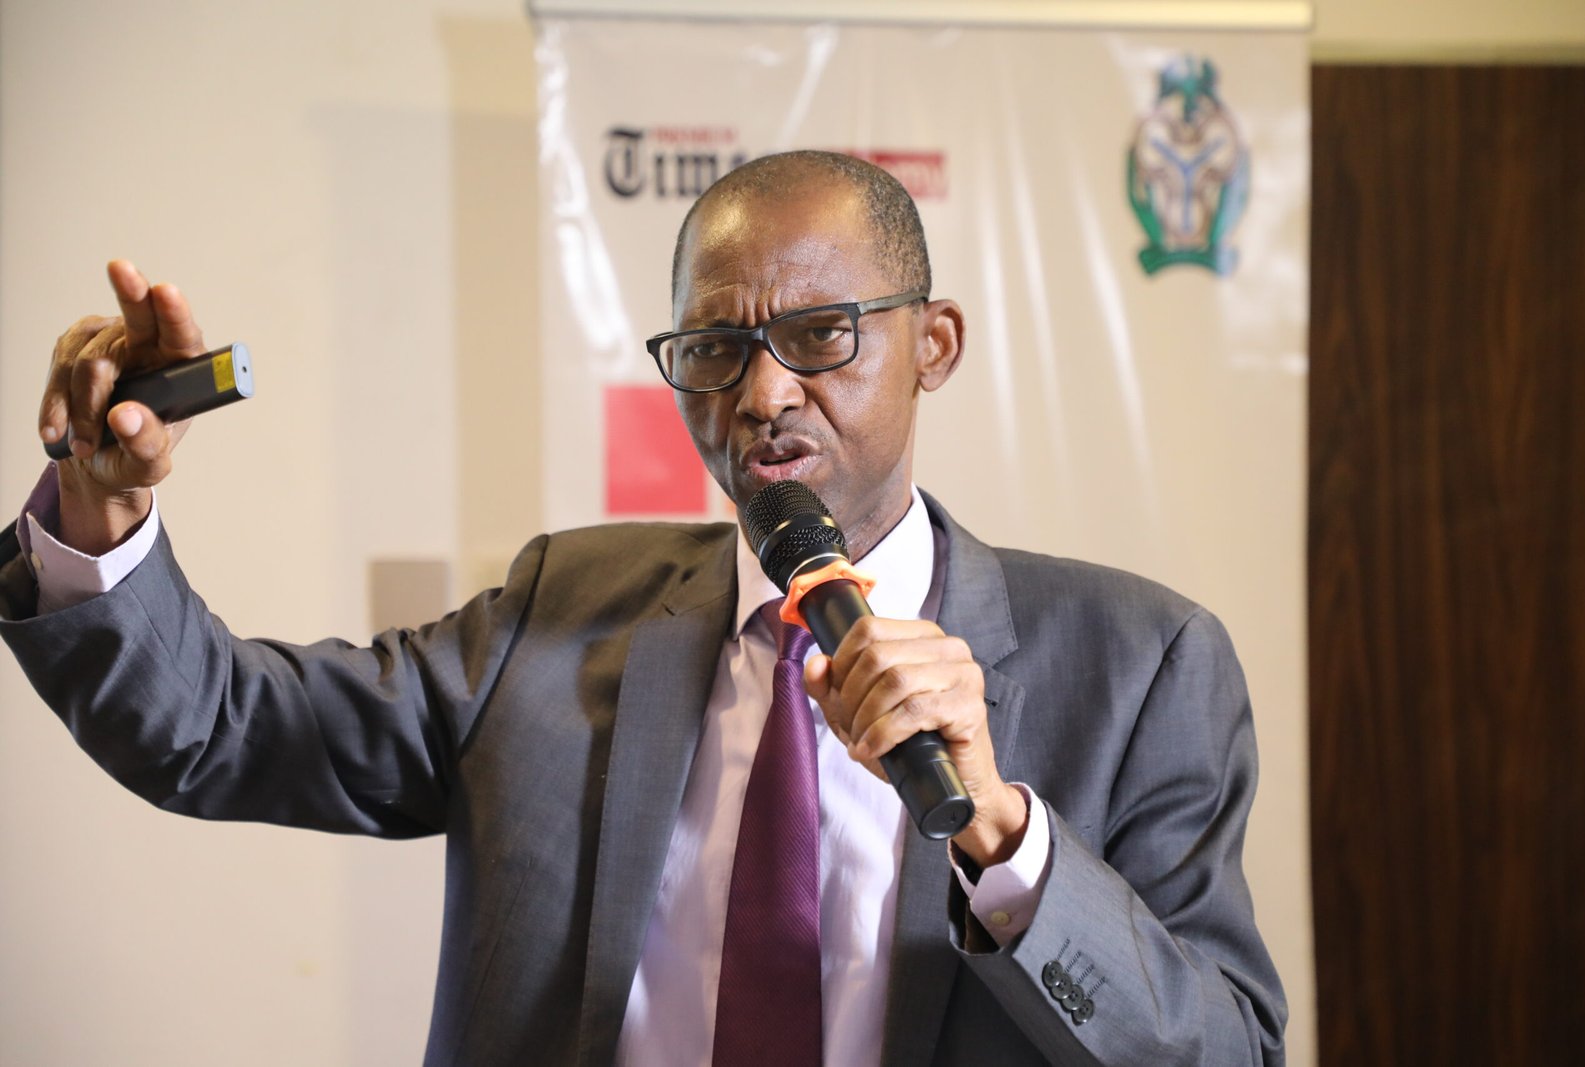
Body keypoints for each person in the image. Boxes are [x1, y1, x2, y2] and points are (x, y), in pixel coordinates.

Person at [0, 151, 1286, 1065]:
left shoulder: (1144, 662)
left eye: (824, 334)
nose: (765, 392)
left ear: (932, 343)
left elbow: (1223, 1045)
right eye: (716, 349)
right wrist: (97, 511)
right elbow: (222, 730)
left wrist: (1007, 842)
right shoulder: (564, 607)